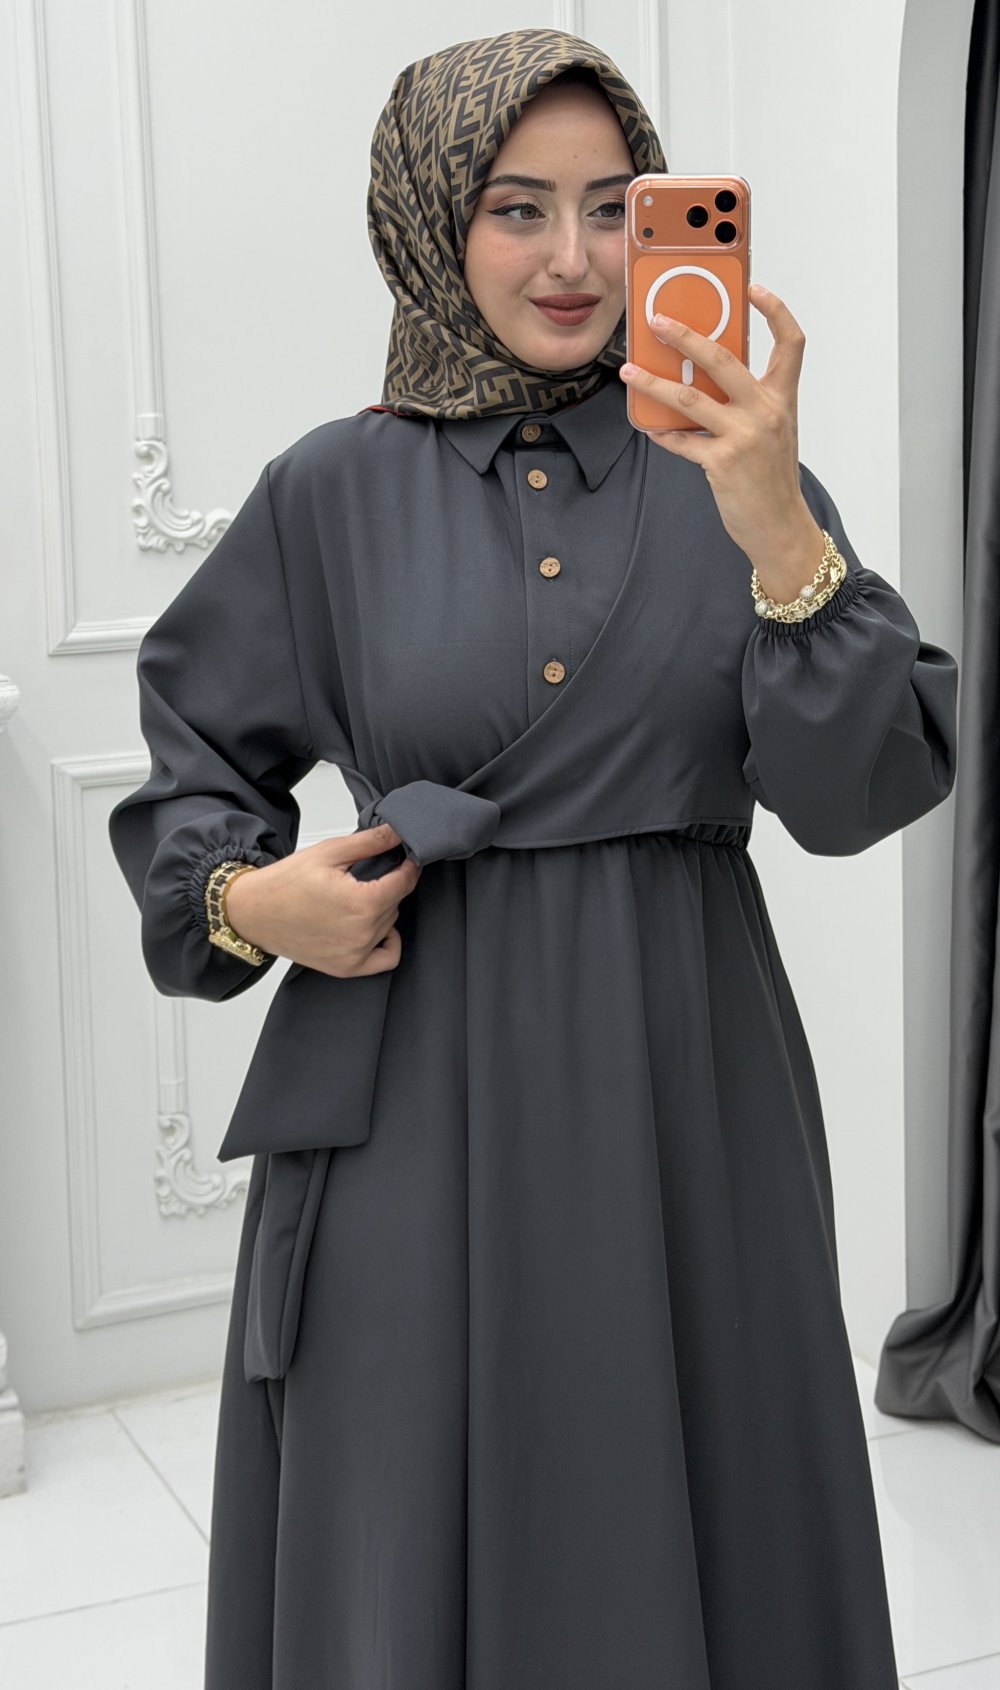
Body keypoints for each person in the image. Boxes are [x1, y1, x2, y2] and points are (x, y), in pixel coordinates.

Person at [108, 27, 959, 1690]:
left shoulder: (737, 462)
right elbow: (193, 759)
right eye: (518, 208)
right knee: (405, 1505)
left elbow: (862, 789)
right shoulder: (329, 490)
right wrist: (252, 898)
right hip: (414, 1095)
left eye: (612, 207)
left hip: (688, 1084)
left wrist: (781, 529)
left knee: (707, 1487)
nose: (575, 258)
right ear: (435, 219)